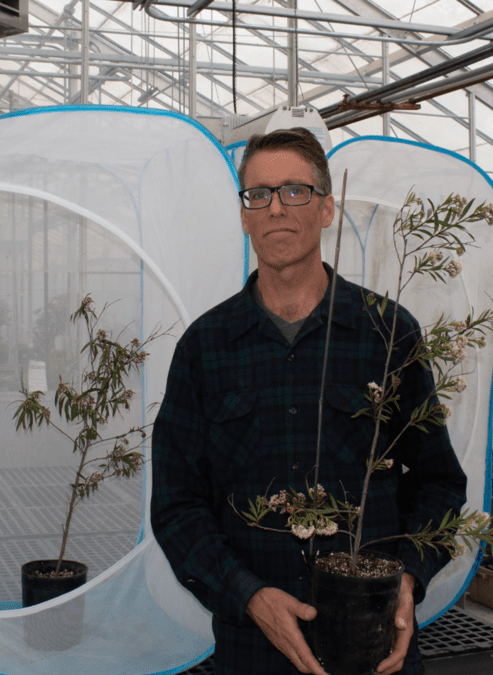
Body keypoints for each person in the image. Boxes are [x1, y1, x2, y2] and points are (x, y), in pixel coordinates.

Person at [150, 127, 467, 675]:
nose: (276, 208)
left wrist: (407, 578)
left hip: (373, 646)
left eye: (295, 191)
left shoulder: (387, 334)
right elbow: (177, 506)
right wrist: (249, 595)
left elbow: (438, 481)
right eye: (259, 194)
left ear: (326, 209)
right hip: (253, 649)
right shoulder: (205, 348)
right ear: (245, 215)